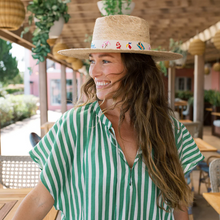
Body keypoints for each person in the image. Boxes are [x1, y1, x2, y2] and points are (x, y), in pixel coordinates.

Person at [13, 15, 204, 220]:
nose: (94, 71)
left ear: (136, 67)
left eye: (105, 60)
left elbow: (179, 204)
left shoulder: (171, 130)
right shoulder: (76, 124)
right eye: (92, 60)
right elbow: (40, 198)